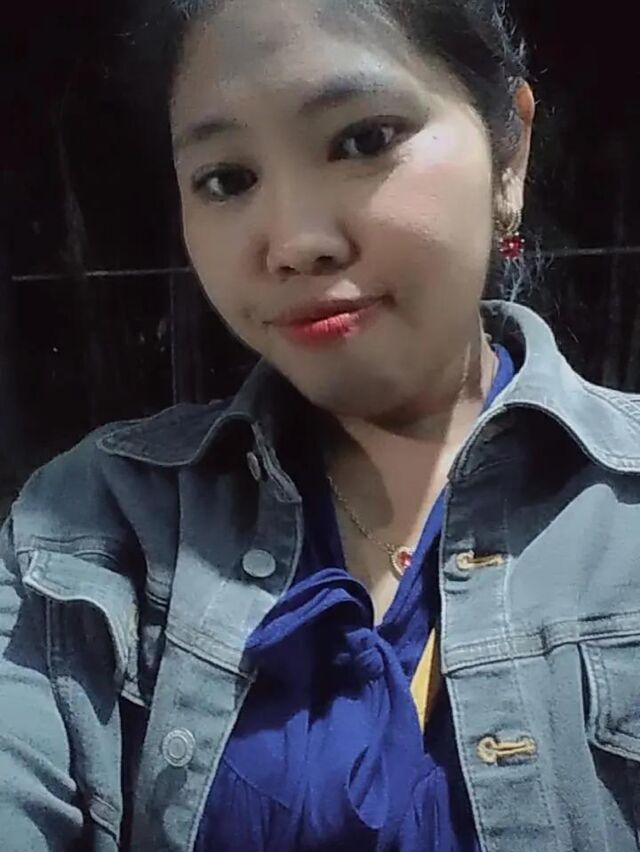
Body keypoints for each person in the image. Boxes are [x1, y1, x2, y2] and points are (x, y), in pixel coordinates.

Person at [2, 0, 640, 849]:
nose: (295, 242)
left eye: (363, 139)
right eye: (227, 179)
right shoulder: (94, 527)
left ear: (510, 153)